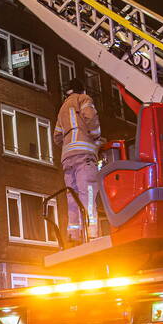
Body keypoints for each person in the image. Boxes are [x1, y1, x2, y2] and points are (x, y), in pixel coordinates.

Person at [54, 78, 103, 243]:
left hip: (67, 158)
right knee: (87, 192)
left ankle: (73, 233)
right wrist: (95, 135)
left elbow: (57, 137)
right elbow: (91, 117)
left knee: (72, 195)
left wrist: (69, 142)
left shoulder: (62, 108)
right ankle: (91, 231)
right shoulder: (84, 99)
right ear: (82, 90)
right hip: (84, 154)